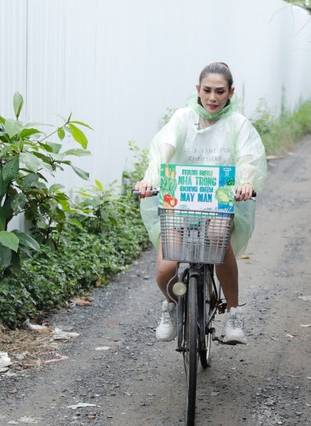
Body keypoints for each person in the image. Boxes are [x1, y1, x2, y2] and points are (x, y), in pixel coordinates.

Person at [134, 62, 268, 345]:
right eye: (207, 90)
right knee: (166, 269)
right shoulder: (182, 118)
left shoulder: (238, 124)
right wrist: (149, 178)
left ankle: (233, 314)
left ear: (230, 92)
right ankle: (171, 305)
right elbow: (163, 151)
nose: (213, 97)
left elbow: (247, 157)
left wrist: (245, 182)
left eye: (220, 91)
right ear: (198, 89)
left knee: (218, 239)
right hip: (178, 203)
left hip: (219, 205)